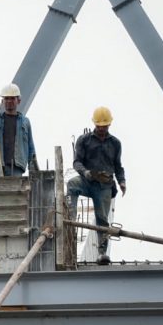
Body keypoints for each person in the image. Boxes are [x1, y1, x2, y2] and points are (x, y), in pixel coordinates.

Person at [67, 106, 127, 265]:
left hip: (104, 186)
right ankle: (70, 220)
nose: (101, 129)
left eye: (104, 126)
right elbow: (77, 162)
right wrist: (85, 172)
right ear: (95, 124)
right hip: (87, 181)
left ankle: (102, 253)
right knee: (72, 184)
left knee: (102, 220)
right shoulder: (84, 140)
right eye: (99, 126)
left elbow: (118, 165)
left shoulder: (115, 144)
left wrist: (122, 181)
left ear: (109, 125)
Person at [0, 83, 38, 177]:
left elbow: (30, 147)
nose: (9, 101)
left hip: (16, 167)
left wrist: (33, 169)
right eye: (6, 98)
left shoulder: (25, 122)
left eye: (12, 98)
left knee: (15, 191)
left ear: (18, 101)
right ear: (2, 101)